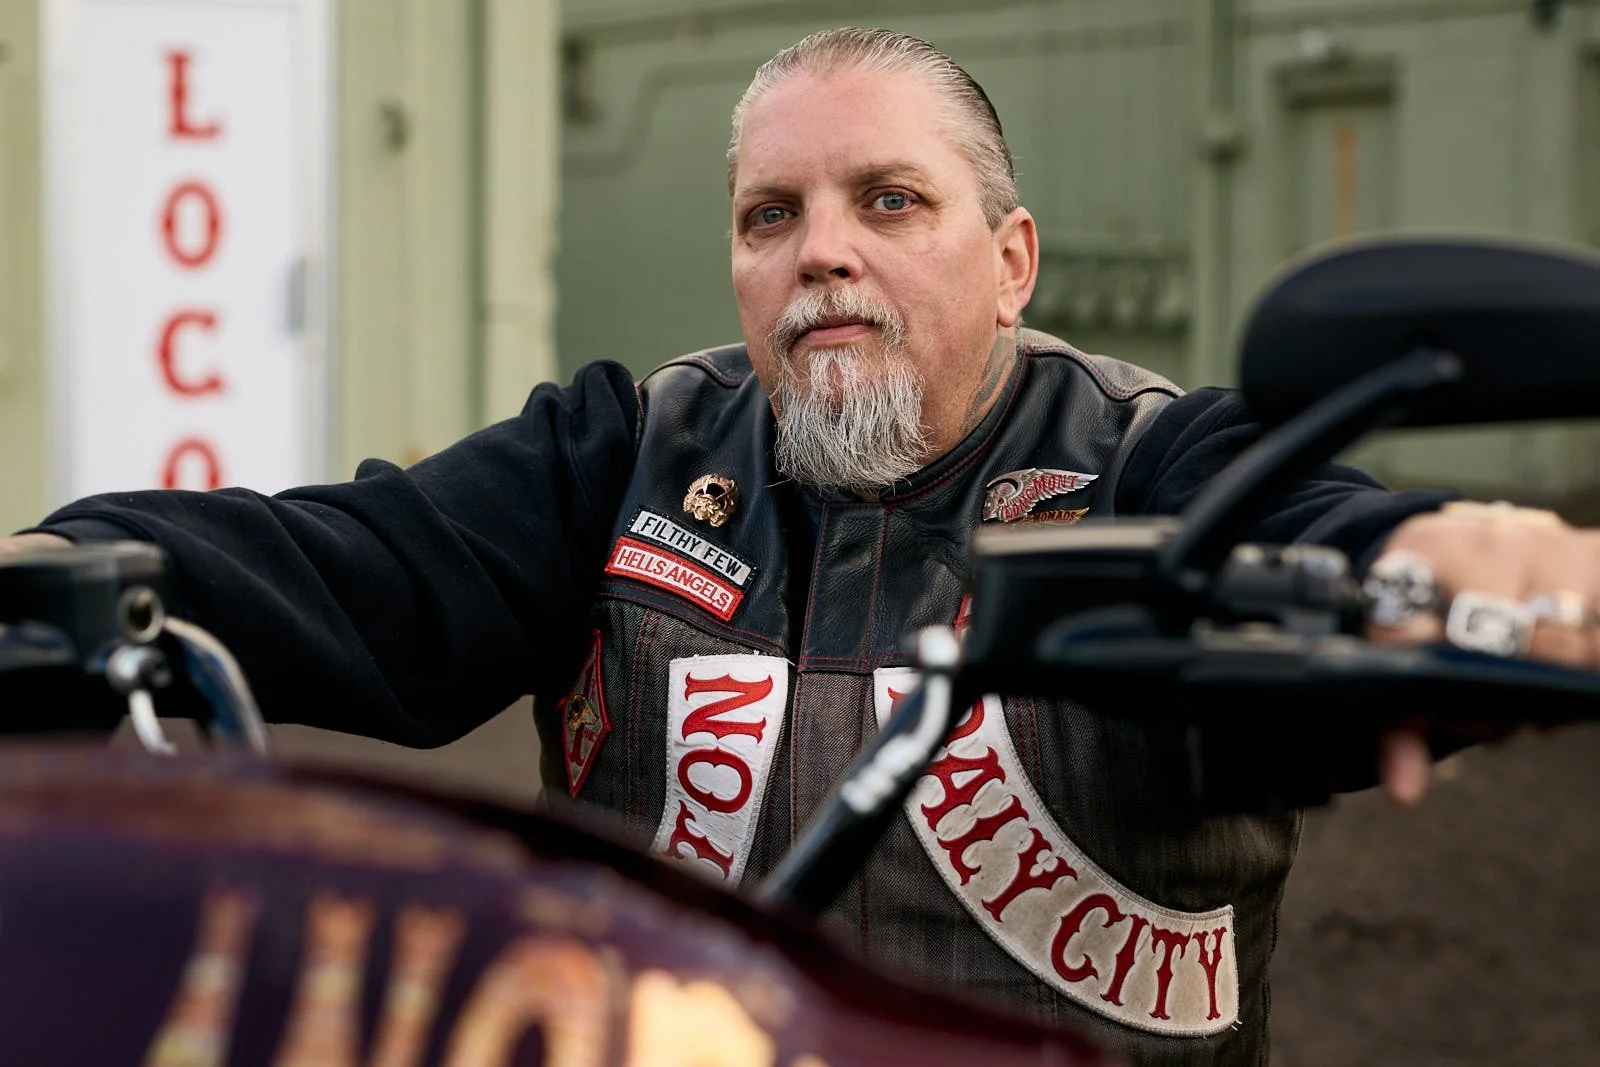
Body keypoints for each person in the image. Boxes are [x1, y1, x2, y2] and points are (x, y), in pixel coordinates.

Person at [1, 25, 1593, 1065]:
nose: (822, 249)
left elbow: (1326, 541)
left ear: (1013, 258)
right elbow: (331, 562)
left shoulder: (1150, 461)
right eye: (773, 215)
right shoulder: (625, 456)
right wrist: (51, 571)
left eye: (890, 202)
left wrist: (1459, 562)